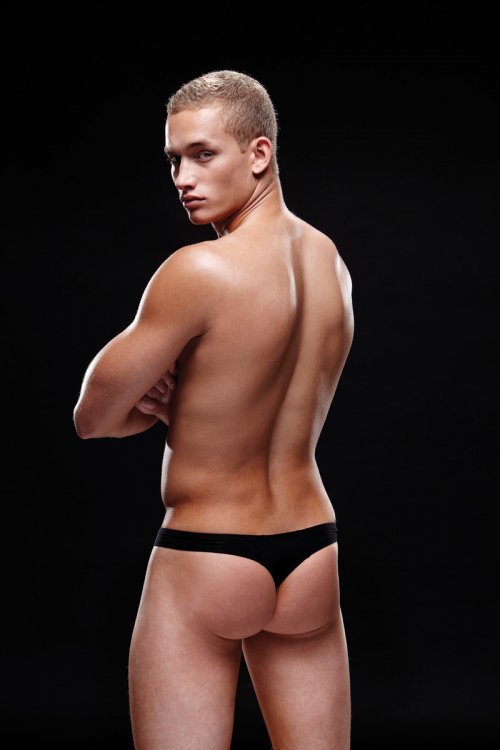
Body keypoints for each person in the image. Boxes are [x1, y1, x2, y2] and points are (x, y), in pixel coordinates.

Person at [73, 69, 354, 750]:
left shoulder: (198, 271)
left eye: (203, 155)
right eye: (174, 160)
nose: (183, 178)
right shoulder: (331, 262)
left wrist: (160, 407)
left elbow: (92, 417)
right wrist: (200, 408)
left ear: (259, 153)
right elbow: (269, 396)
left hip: (208, 553)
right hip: (312, 552)